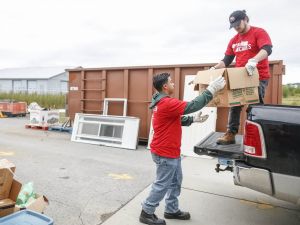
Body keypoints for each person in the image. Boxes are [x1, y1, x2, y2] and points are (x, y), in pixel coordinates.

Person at [139, 73, 225, 225]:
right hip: (165, 153)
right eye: (171, 82)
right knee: (162, 184)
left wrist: (193, 119)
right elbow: (192, 105)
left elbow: (173, 118)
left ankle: (171, 210)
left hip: (170, 151)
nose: (173, 84)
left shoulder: (161, 102)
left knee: (175, 181)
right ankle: (146, 212)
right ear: (165, 86)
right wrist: (211, 90)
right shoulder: (166, 102)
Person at [211, 10, 273, 145]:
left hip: (258, 76)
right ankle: (230, 134)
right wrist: (215, 68)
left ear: (245, 19)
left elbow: (267, 49)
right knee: (235, 105)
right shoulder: (234, 40)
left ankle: (255, 138)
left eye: (238, 24)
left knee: (255, 107)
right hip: (239, 78)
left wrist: (254, 60)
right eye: (233, 26)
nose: (236, 27)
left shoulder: (259, 32)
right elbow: (226, 59)